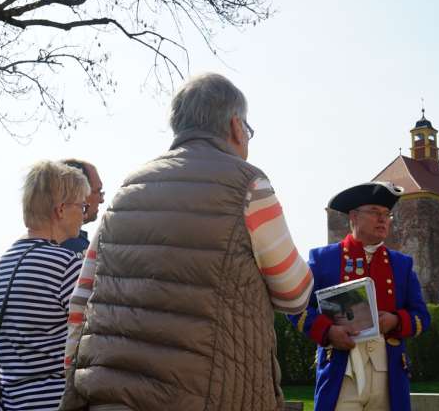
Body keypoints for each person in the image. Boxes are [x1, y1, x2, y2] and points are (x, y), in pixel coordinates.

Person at [61, 73, 314, 411]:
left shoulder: (127, 190)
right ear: (236, 126)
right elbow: (295, 293)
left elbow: (81, 301)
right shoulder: (248, 186)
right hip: (213, 394)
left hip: (112, 395)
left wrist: (72, 384)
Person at [289, 182, 429, 411]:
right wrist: (328, 331)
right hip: (341, 371)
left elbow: (422, 317)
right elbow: (295, 306)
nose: (383, 219)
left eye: (387, 214)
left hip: (388, 373)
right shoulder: (323, 259)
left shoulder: (401, 265)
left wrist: (395, 321)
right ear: (353, 216)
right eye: (375, 212)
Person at [0, 160, 89, 410]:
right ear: (60, 210)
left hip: (11, 398)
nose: (84, 213)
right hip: (51, 399)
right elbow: (95, 332)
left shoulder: (7, 260)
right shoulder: (66, 263)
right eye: (82, 205)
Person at [60, 159, 105, 257]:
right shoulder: (70, 249)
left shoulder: (29, 245)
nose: (102, 200)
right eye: (97, 191)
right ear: (79, 193)